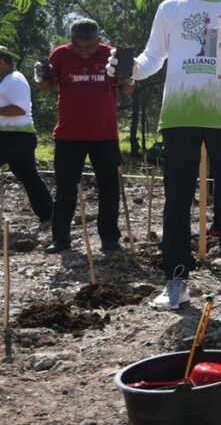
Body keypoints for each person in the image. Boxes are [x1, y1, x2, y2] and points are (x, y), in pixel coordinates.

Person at [107, 0, 221, 310]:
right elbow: (153, 57)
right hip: (180, 116)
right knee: (176, 201)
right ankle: (175, 282)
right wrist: (129, 68)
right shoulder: (171, 8)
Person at [37, 19, 133, 253]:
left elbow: (127, 90)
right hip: (68, 135)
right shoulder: (59, 55)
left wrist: (129, 73)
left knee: (110, 189)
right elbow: (47, 88)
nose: (83, 52)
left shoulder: (111, 54)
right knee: (65, 189)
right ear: (70, 40)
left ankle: (110, 239)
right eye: (78, 46)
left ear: (97, 40)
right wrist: (41, 76)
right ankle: (60, 239)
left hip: (105, 135)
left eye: (89, 47)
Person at [0, 46, 53, 226]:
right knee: (29, 176)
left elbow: (19, 109)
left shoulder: (14, 80)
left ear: (1, 63)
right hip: (15, 136)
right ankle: (49, 214)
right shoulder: (6, 80)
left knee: (29, 176)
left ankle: (50, 214)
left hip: (15, 136)